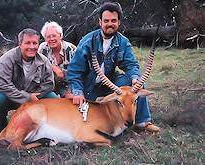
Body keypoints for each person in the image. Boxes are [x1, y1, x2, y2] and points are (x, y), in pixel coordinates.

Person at [66, 2, 160, 132]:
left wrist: (134, 77)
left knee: (138, 85)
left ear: (119, 22)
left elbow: (131, 64)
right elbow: (74, 71)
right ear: (100, 22)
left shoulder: (122, 42)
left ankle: (142, 122)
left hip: (110, 83)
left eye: (113, 20)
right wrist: (78, 92)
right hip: (89, 86)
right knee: (85, 116)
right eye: (106, 21)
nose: (110, 24)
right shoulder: (88, 41)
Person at [0, 28, 58, 135]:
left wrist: (34, 96)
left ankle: (46, 129)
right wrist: (27, 97)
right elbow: (1, 85)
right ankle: (1, 126)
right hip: (11, 98)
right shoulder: (7, 59)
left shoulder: (44, 60)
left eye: (35, 43)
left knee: (52, 97)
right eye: (27, 43)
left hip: (35, 98)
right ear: (20, 44)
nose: (32, 47)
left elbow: (49, 84)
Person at [38, 21, 76, 98]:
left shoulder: (71, 49)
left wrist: (70, 91)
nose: (51, 39)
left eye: (54, 36)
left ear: (60, 36)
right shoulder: (43, 48)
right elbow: (37, 66)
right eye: (48, 37)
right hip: (48, 84)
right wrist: (53, 67)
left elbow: (77, 73)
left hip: (68, 84)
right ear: (45, 38)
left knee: (71, 100)